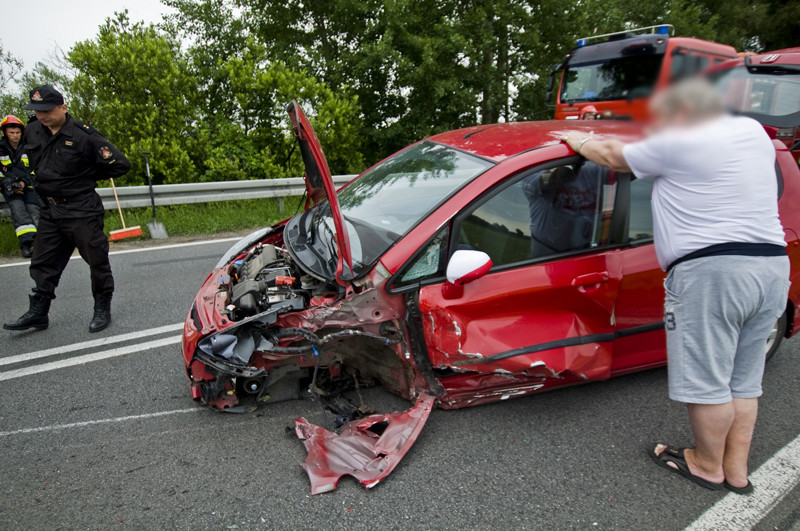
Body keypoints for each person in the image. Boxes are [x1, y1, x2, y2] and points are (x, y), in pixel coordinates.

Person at [561, 78, 790, 495]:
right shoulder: (751, 132)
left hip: (713, 273)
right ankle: (735, 471)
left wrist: (579, 138)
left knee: (708, 381)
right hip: (772, 267)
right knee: (743, 380)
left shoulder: (682, 141)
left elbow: (612, 155)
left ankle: (705, 465)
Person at [3, 86, 131, 333]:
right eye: (37, 111)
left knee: (96, 261)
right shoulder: (33, 131)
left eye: (47, 110)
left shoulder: (85, 136)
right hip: (50, 210)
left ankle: (102, 308)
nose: (42, 115)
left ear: (63, 107)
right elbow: (20, 159)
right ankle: (39, 312)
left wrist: (87, 174)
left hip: (81, 208)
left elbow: (120, 164)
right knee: (42, 262)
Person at [0, 115, 41, 258]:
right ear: (5, 132)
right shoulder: (0, 149)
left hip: (28, 186)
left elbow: (35, 169)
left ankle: (41, 244)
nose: (15, 136)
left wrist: (24, 181)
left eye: (17, 132)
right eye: (11, 133)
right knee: (19, 212)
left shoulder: (28, 147)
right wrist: (7, 183)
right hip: (10, 189)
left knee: (34, 211)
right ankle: (27, 245)